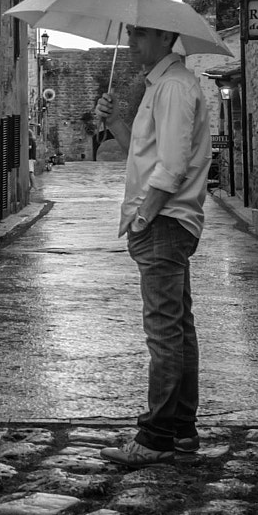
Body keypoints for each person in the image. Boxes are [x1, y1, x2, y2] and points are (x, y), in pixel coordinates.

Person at [93, 24, 212, 467]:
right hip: (163, 221)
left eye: (140, 35)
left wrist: (144, 216)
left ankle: (156, 436)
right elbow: (142, 155)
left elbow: (174, 166)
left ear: (166, 38)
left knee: (163, 332)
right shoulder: (161, 86)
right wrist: (115, 122)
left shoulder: (175, 88)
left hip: (163, 222)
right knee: (178, 328)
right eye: (131, 35)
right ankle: (181, 430)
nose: (132, 43)